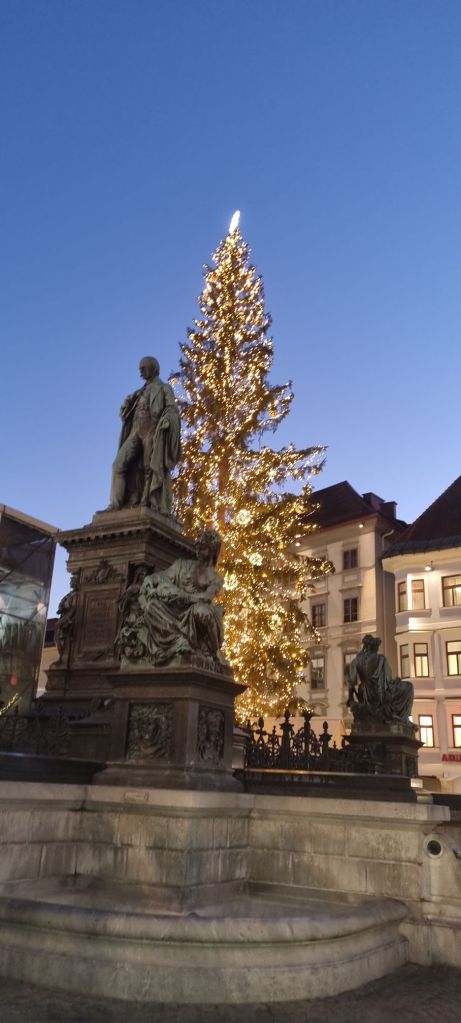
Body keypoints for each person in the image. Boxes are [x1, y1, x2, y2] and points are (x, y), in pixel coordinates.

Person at [118, 528, 228, 670]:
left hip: (193, 607)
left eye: (203, 548)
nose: (198, 551)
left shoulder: (216, 578)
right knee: (151, 606)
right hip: (173, 606)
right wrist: (150, 580)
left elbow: (206, 597)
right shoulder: (182, 565)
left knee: (203, 613)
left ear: (212, 551)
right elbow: (163, 575)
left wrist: (184, 596)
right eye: (197, 547)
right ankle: (179, 641)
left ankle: (214, 651)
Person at [108, 356, 181, 514]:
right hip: (135, 431)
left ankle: (146, 501)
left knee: (150, 468)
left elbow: (172, 408)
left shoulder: (164, 388)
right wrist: (126, 406)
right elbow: (126, 414)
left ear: (153, 368)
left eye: (143, 368)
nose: (140, 371)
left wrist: (167, 419)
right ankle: (115, 505)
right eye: (140, 368)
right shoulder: (138, 393)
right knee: (118, 465)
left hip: (151, 430)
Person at [347, 634, 413, 724]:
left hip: (364, 693)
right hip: (379, 693)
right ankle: (404, 718)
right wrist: (397, 681)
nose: (377, 649)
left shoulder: (356, 660)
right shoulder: (381, 658)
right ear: (372, 646)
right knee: (409, 687)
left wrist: (350, 698)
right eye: (376, 647)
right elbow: (389, 681)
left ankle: (401, 719)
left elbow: (350, 681)